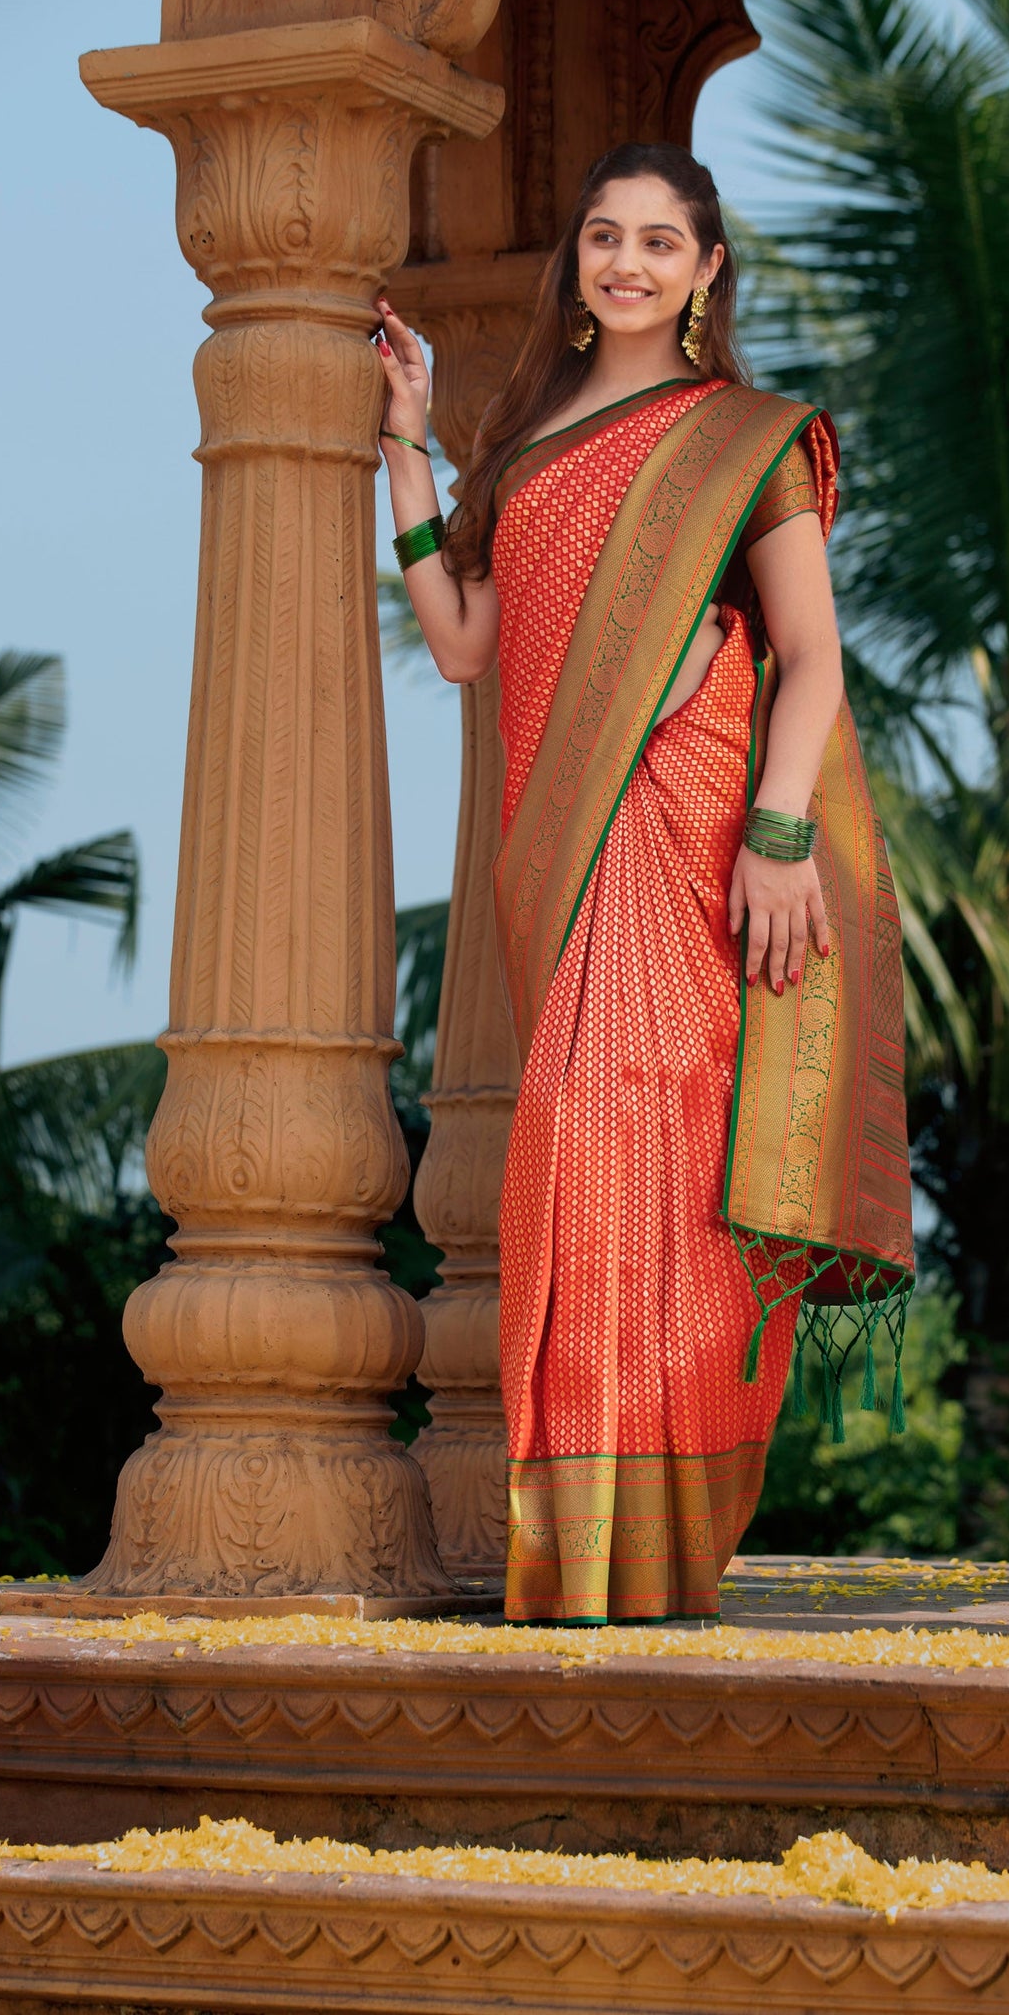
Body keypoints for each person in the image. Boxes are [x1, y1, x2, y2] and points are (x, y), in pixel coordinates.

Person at [374, 141, 913, 1625]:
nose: (625, 263)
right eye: (603, 237)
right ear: (576, 264)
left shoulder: (746, 436)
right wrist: (410, 449)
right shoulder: (530, 438)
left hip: (689, 820)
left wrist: (781, 833)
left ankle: (663, 1538)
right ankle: (589, 1542)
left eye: (659, 243)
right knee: (578, 1146)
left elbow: (805, 657)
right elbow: (467, 644)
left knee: (669, 1141)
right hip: (556, 842)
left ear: (706, 269)